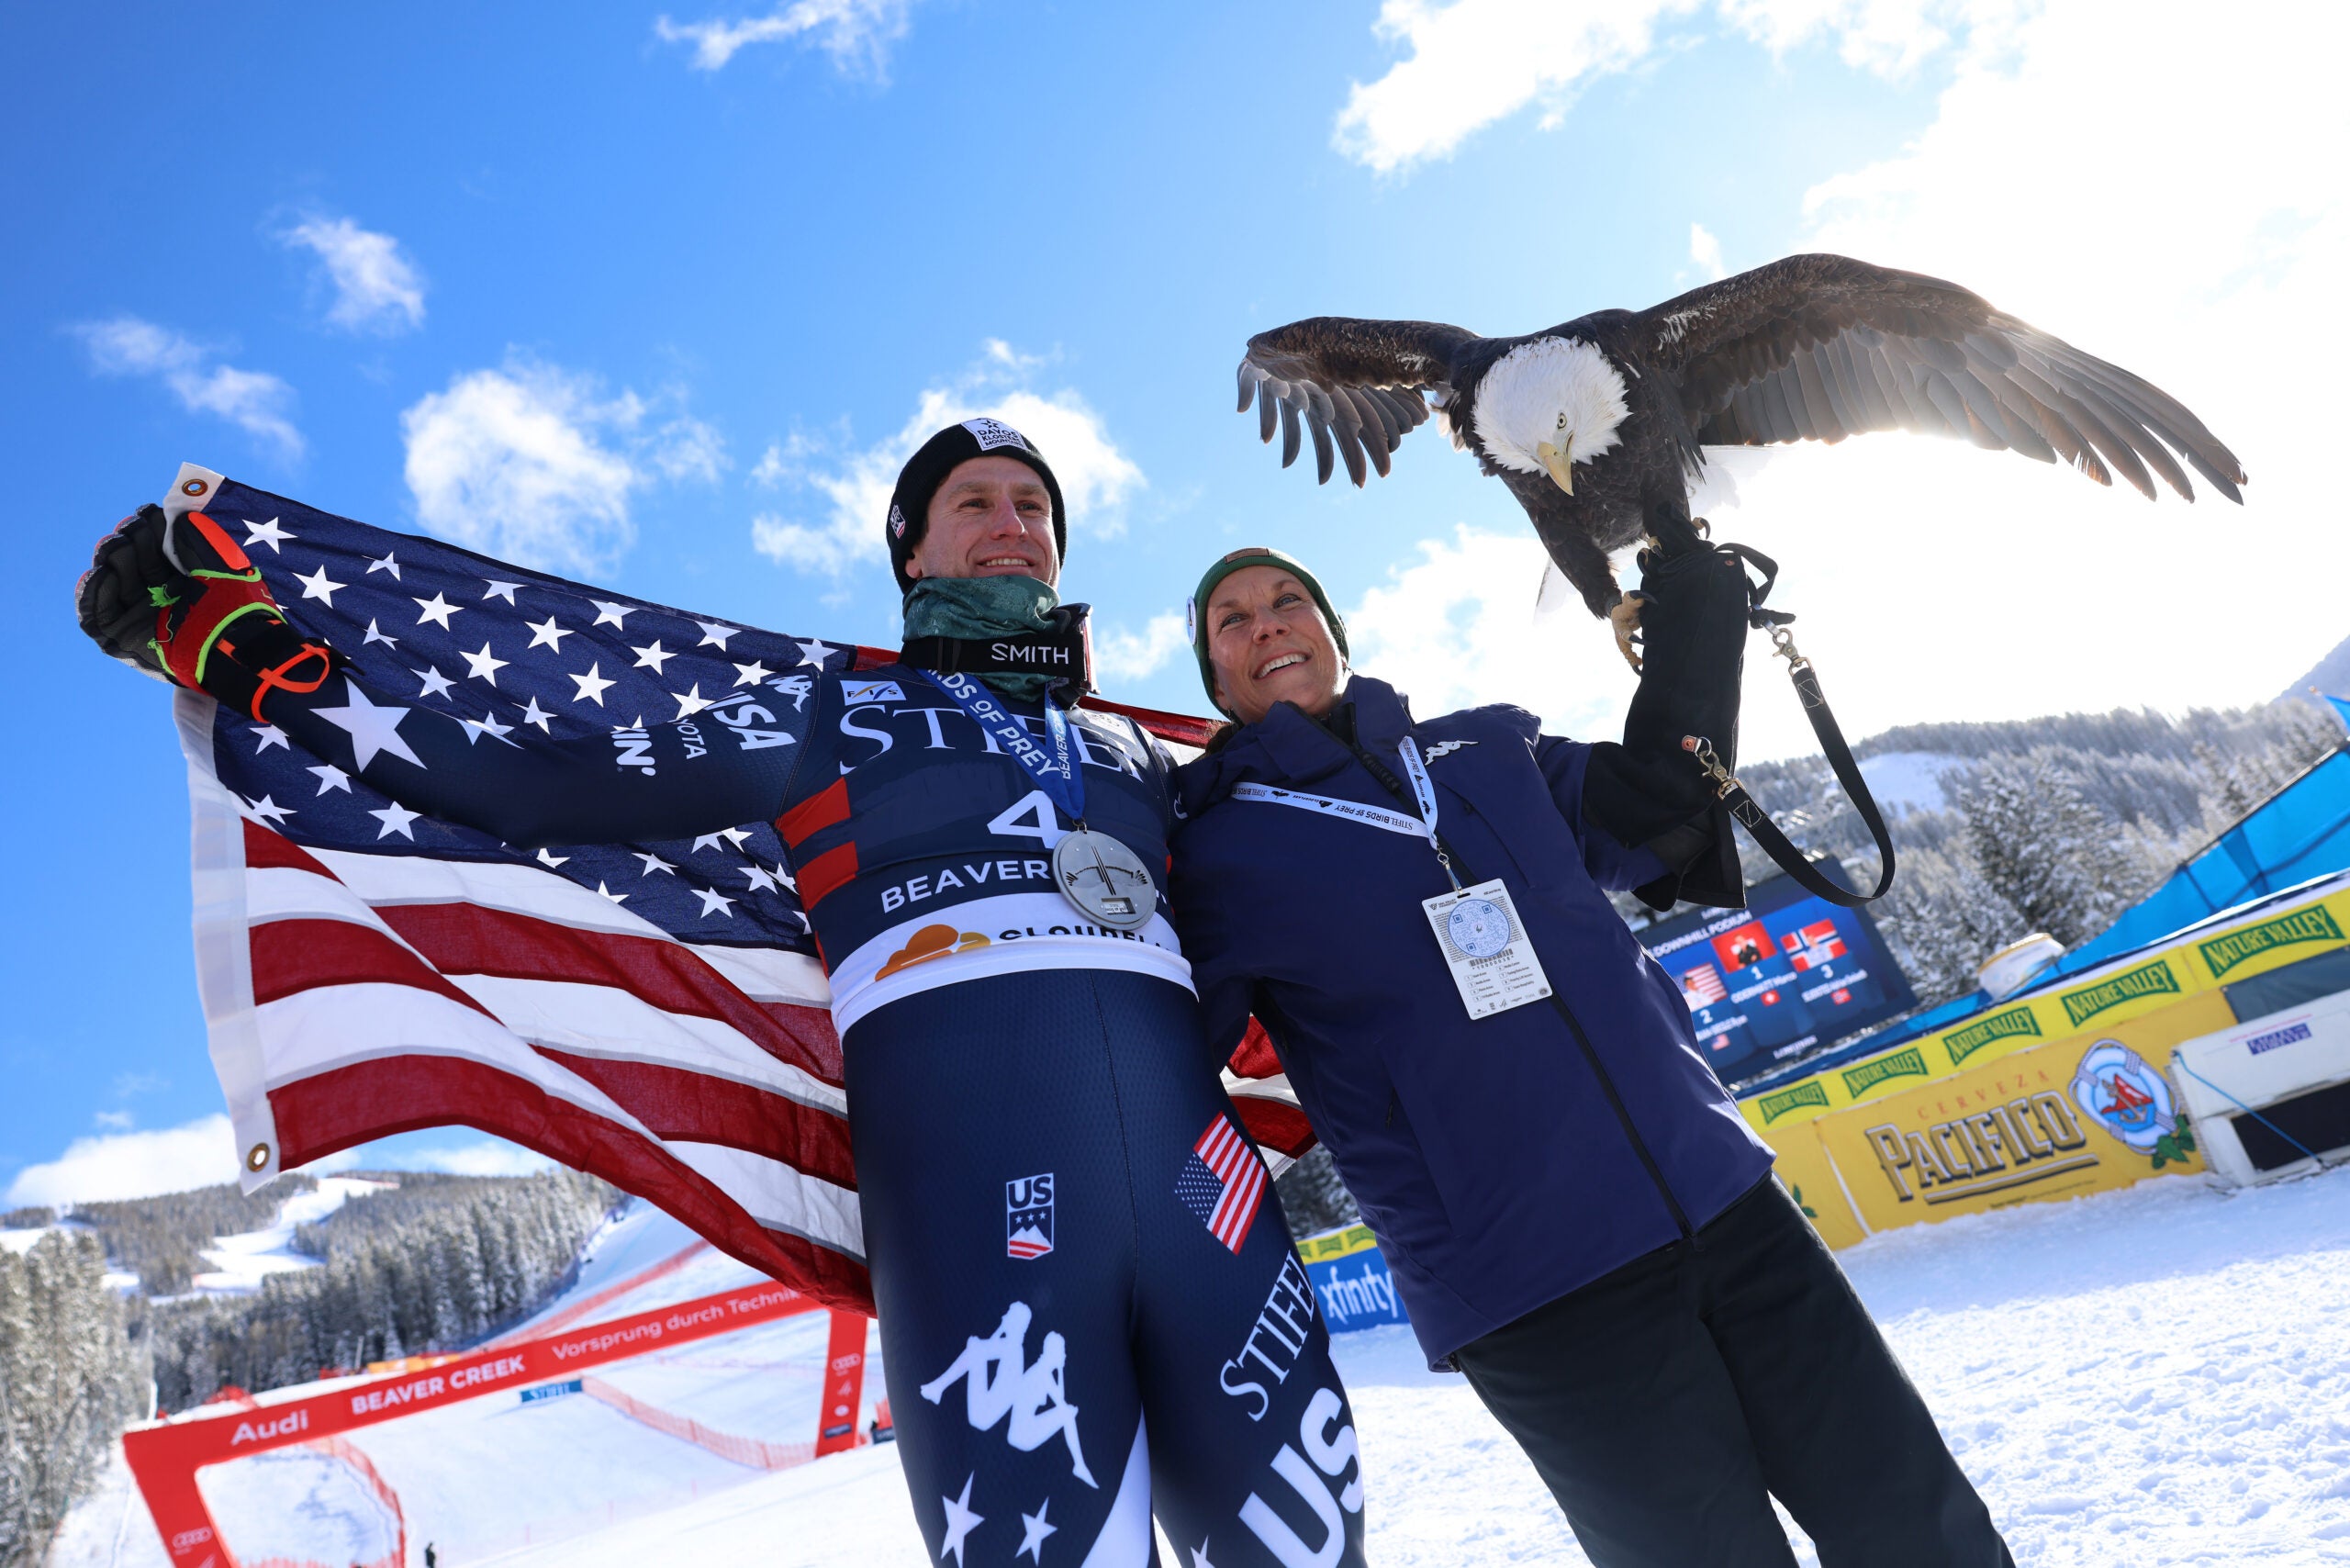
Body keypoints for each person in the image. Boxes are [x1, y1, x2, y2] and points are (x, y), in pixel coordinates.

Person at [74, 423, 1369, 1568]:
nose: (1011, 523)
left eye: (1033, 506)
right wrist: (248, 652)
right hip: (981, 1247)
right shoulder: (825, 714)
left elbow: (1329, 870)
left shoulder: (1138, 752)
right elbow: (523, 781)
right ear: (912, 549)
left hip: (1216, 1224)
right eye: (973, 501)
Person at [1167, 541, 2014, 1568]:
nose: (1266, 622)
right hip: (1538, 1287)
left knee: (1920, 1526)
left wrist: (1698, 612)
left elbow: (1660, 803)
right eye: (1232, 620)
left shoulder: (1486, 751)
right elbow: (1167, 1061)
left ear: (1332, 634)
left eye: (1288, 599)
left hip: (1722, 1200)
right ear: (1217, 682)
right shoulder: (1213, 854)